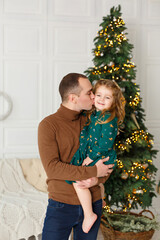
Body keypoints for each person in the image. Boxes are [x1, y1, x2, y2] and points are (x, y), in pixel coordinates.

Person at [38, 73, 114, 240]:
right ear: (73, 98)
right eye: (89, 93)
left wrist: (97, 180)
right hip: (60, 205)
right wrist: (93, 171)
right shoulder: (48, 125)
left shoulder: (93, 121)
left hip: (93, 203)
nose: (93, 96)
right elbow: (53, 169)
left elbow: (106, 160)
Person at [66, 79, 125, 233]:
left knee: (78, 182)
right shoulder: (95, 114)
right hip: (94, 153)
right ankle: (101, 197)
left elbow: (105, 144)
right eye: (99, 95)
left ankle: (89, 214)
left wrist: (90, 157)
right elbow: (88, 131)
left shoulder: (109, 120)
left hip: (100, 156)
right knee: (91, 181)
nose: (101, 100)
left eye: (107, 97)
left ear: (114, 101)